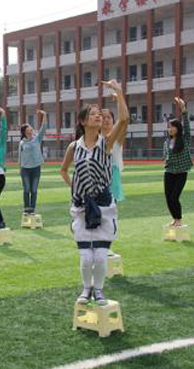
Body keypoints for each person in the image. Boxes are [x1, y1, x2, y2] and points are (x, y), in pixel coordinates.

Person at [60, 79, 128, 306]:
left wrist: (118, 91)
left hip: (103, 206)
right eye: (93, 114)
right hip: (81, 208)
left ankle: (98, 290)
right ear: (82, 121)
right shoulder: (74, 146)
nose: (98, 116)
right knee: (85, 256)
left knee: (99, 256)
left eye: (100, 114)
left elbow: (125, 119)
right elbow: (63, 170)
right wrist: (75, 189)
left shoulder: (106, 143)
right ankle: (86, 289)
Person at [163, 97, 193, 227]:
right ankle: (174, 219)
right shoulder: (167, 142)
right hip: (169, 172)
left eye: (173, 127)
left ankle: (179, 219)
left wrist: (183, 109)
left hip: (181, 172)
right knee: (168, 198)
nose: (170, 129)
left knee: (175, 197)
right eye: (169, 127)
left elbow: (186, 124)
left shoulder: (185, 139)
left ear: (178, 128)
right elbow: (166, 155)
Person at [18, 110, 46, 214]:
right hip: (25, 169)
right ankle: (26, 209)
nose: (31, 129)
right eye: (29, 128)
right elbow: (20, 157)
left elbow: (43, 128)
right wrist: (19, 168)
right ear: (25, 131)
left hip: (36, 168)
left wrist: (44, 115)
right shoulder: (21, 143)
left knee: (33, 190)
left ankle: (32, 209)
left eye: (31, 128)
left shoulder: (37, 139)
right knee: (26, 190)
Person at [102, 107, 128, 202]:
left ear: (113, 120)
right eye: (103, 118)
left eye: (109, 117)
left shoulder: (118, 137)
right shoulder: (95, 138)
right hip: (97, 174)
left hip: (113, 175)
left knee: (111, 208)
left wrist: (119, 98)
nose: (106, 120)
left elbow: (125, 119)